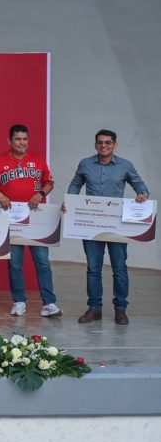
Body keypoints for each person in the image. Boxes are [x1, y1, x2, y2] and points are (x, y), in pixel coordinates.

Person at [66, 129, 150, 325]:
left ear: (115, 145)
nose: (104, 146)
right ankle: (94, 308)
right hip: (91, 224)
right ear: (95, 145)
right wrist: (69, 201)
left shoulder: (125, 166)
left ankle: (120, 310)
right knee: (93, 269)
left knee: (119, 268)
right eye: (100, 142)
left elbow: (140, 186)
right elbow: (75, 184)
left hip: (116, 226)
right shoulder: (85, 164)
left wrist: (142, 195)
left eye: (108, 143)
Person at [0, 124, 61, 318]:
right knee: (15, 263)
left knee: (43, 262)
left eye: (25, 139)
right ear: (9, 141)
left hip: (36, 216)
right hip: (11, 217)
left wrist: (41, 193)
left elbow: (49, 182)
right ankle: (19, 301)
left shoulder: (38, 160)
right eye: (18, 139)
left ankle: (49, 303)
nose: (22, 143)